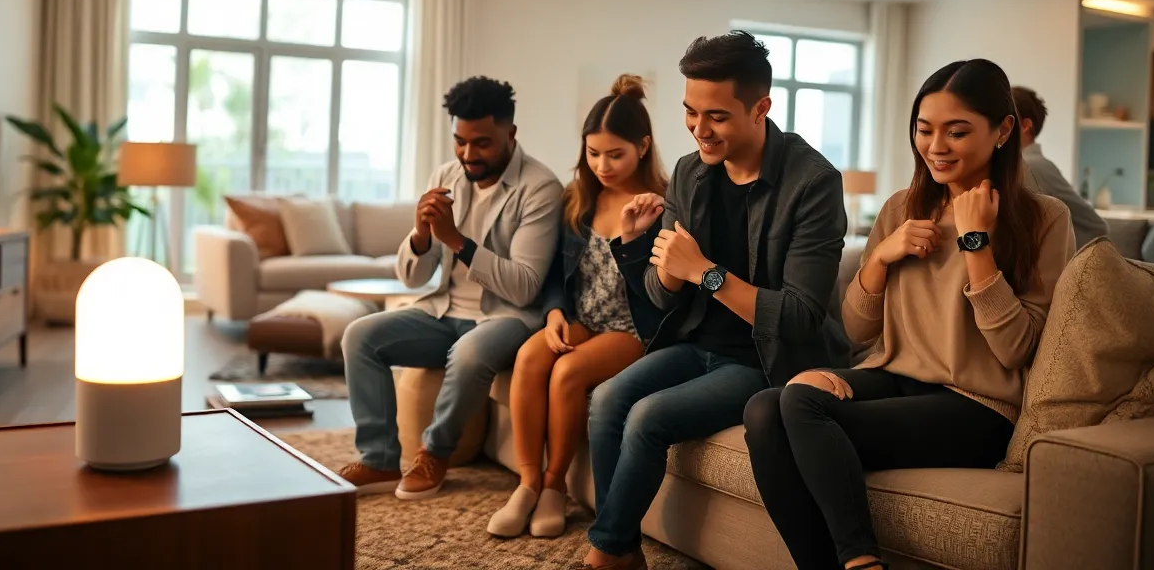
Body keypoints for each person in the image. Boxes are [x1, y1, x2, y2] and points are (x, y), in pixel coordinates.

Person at [744, 59, 1075, 570]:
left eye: (956, 131)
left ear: (1004, 129)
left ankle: (858, 561)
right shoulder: (901, 209)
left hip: (979, 405)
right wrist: (880, 257)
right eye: (924, 130)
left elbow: (1017, 348)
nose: (936, 146)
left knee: (800, 409)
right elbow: (857, 329)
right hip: (895, 378)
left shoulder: (1044, 218)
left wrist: (975, 243)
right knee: (767, 408)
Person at [574, 32, 850, 570]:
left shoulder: (813, 182)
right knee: (607, 400)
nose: (700, 129)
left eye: (717, 117)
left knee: (647, 418)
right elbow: (660, 295)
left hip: (765, 361)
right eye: (689, 112)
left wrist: (705, 273)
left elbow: (798, 318)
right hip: (696, 344)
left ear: (760, 108)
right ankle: (621, 547)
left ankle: (604, 554)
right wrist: (638, 248)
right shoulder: (689, 173)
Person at [336, 76, 562, 500]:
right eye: (460, 141)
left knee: (472, 350)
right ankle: (379, 459)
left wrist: (456, 240)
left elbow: (526, 287)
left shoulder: (540, 189)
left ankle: (435, 452)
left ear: (510, 134)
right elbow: (414, 278)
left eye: (482, 143)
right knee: (360, 336)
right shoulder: (447, 174)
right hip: (443, 311)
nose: (467, 154)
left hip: (507, 316)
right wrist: (422, 236)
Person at [487, 74, 670, 540]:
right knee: (530, 357)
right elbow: (555, 276)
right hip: (583, 319)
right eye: (593, 153)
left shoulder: (663, 204)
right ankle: (527, 484)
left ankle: (554, 487)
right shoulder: (579, 199)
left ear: (643, 146)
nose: (602, 165)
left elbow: (662, 291)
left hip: (634, 331)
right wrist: (553, 314)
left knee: (567, 374)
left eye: (615, 154)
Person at [1011, 86, 1108, 249]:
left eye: (1007, 120)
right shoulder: (1021, 166)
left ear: (1025, 125)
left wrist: (1061, 260)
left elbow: (1096, 226)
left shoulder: (1034, 167)